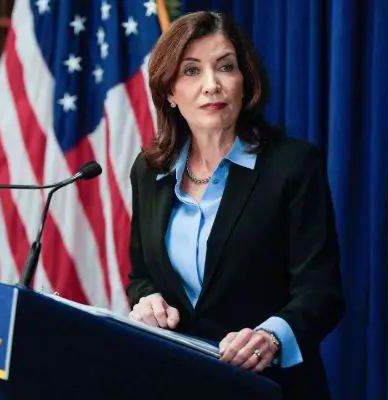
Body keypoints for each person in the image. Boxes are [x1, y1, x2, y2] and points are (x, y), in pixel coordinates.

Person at [126, 11, 345, 399]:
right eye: (191, 71)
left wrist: (271, 337)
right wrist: (147, 301)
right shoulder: (149, 171)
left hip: (268, 386)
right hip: (175, 382)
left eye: (225, 67)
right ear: (170, 93)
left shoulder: (292, 166)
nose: (212, 85)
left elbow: (321, 291)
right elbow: (142, 274)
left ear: (245, 82)